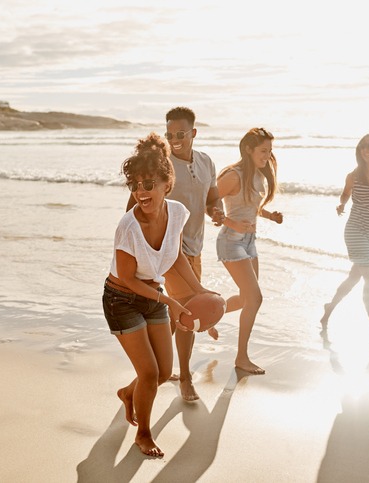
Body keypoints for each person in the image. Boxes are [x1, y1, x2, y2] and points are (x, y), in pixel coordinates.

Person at [105, 132, 213, 457]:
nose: (140, 192)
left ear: (168, 182)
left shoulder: (177, 213)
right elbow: (127, 278)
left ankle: (128, 393)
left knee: (164, 373)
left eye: (148, 184)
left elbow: (175, 257)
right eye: (134, 185)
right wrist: (169, 300)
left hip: (152, 297)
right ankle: (144, 434)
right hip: (121, 300)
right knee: (150, 373)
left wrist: (200, 290)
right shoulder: (128, 227)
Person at [126, 107, 224, 402]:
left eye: (180, 134)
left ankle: (142, 381)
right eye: (169, 134)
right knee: (187, 313)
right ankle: (183, 378)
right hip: (168, 252)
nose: (174, 139)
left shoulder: (206, 162)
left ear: (193, 133)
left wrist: (217, 211)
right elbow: (135, 202)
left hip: (195, 248)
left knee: (172, 318)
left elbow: (211, 198)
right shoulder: (161, 164)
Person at [320, 133, 369, 345]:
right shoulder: (353, 175)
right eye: (362, 146)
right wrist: (342, 204)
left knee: (354, 277)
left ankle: (329, 310)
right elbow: (345, 193)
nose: (366, 150)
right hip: (355, 229)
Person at [216, 127, 283, 375]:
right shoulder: (233, 175)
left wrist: (269, 215)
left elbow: (249, 206)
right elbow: (209, 202)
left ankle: (206, 314)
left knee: (246, 299)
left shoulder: (258, 176)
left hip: (249, 242)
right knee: (256, 298)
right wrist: (231, 223)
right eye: (263, 151)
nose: (267, 156)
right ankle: (241, 358)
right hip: (230, 242)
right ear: (248, 149)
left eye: (270, 151)